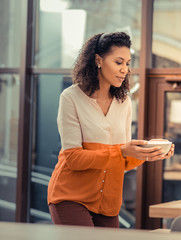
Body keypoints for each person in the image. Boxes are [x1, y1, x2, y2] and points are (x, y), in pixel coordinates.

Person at [47, 32, 174, 228]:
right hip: (71, 197)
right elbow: (73, 158)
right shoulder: (71, 98)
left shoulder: (124, 102)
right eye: (118, 62)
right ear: (98, 60)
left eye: (128, 63)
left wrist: (150, 152)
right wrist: (122, 151)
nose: (124, 70)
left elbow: (121, 162)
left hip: (108, 203)